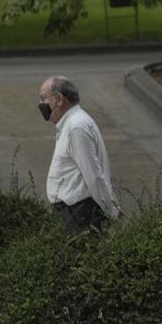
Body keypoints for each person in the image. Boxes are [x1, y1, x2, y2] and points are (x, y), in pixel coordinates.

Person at [39, 75, 120, 232]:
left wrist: (111, 211)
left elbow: (93, 175)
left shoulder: (76, 127)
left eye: (43, 99)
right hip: (72, 213)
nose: (41, 104)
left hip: (79, 216)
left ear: (59, 99)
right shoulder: (71, 124)